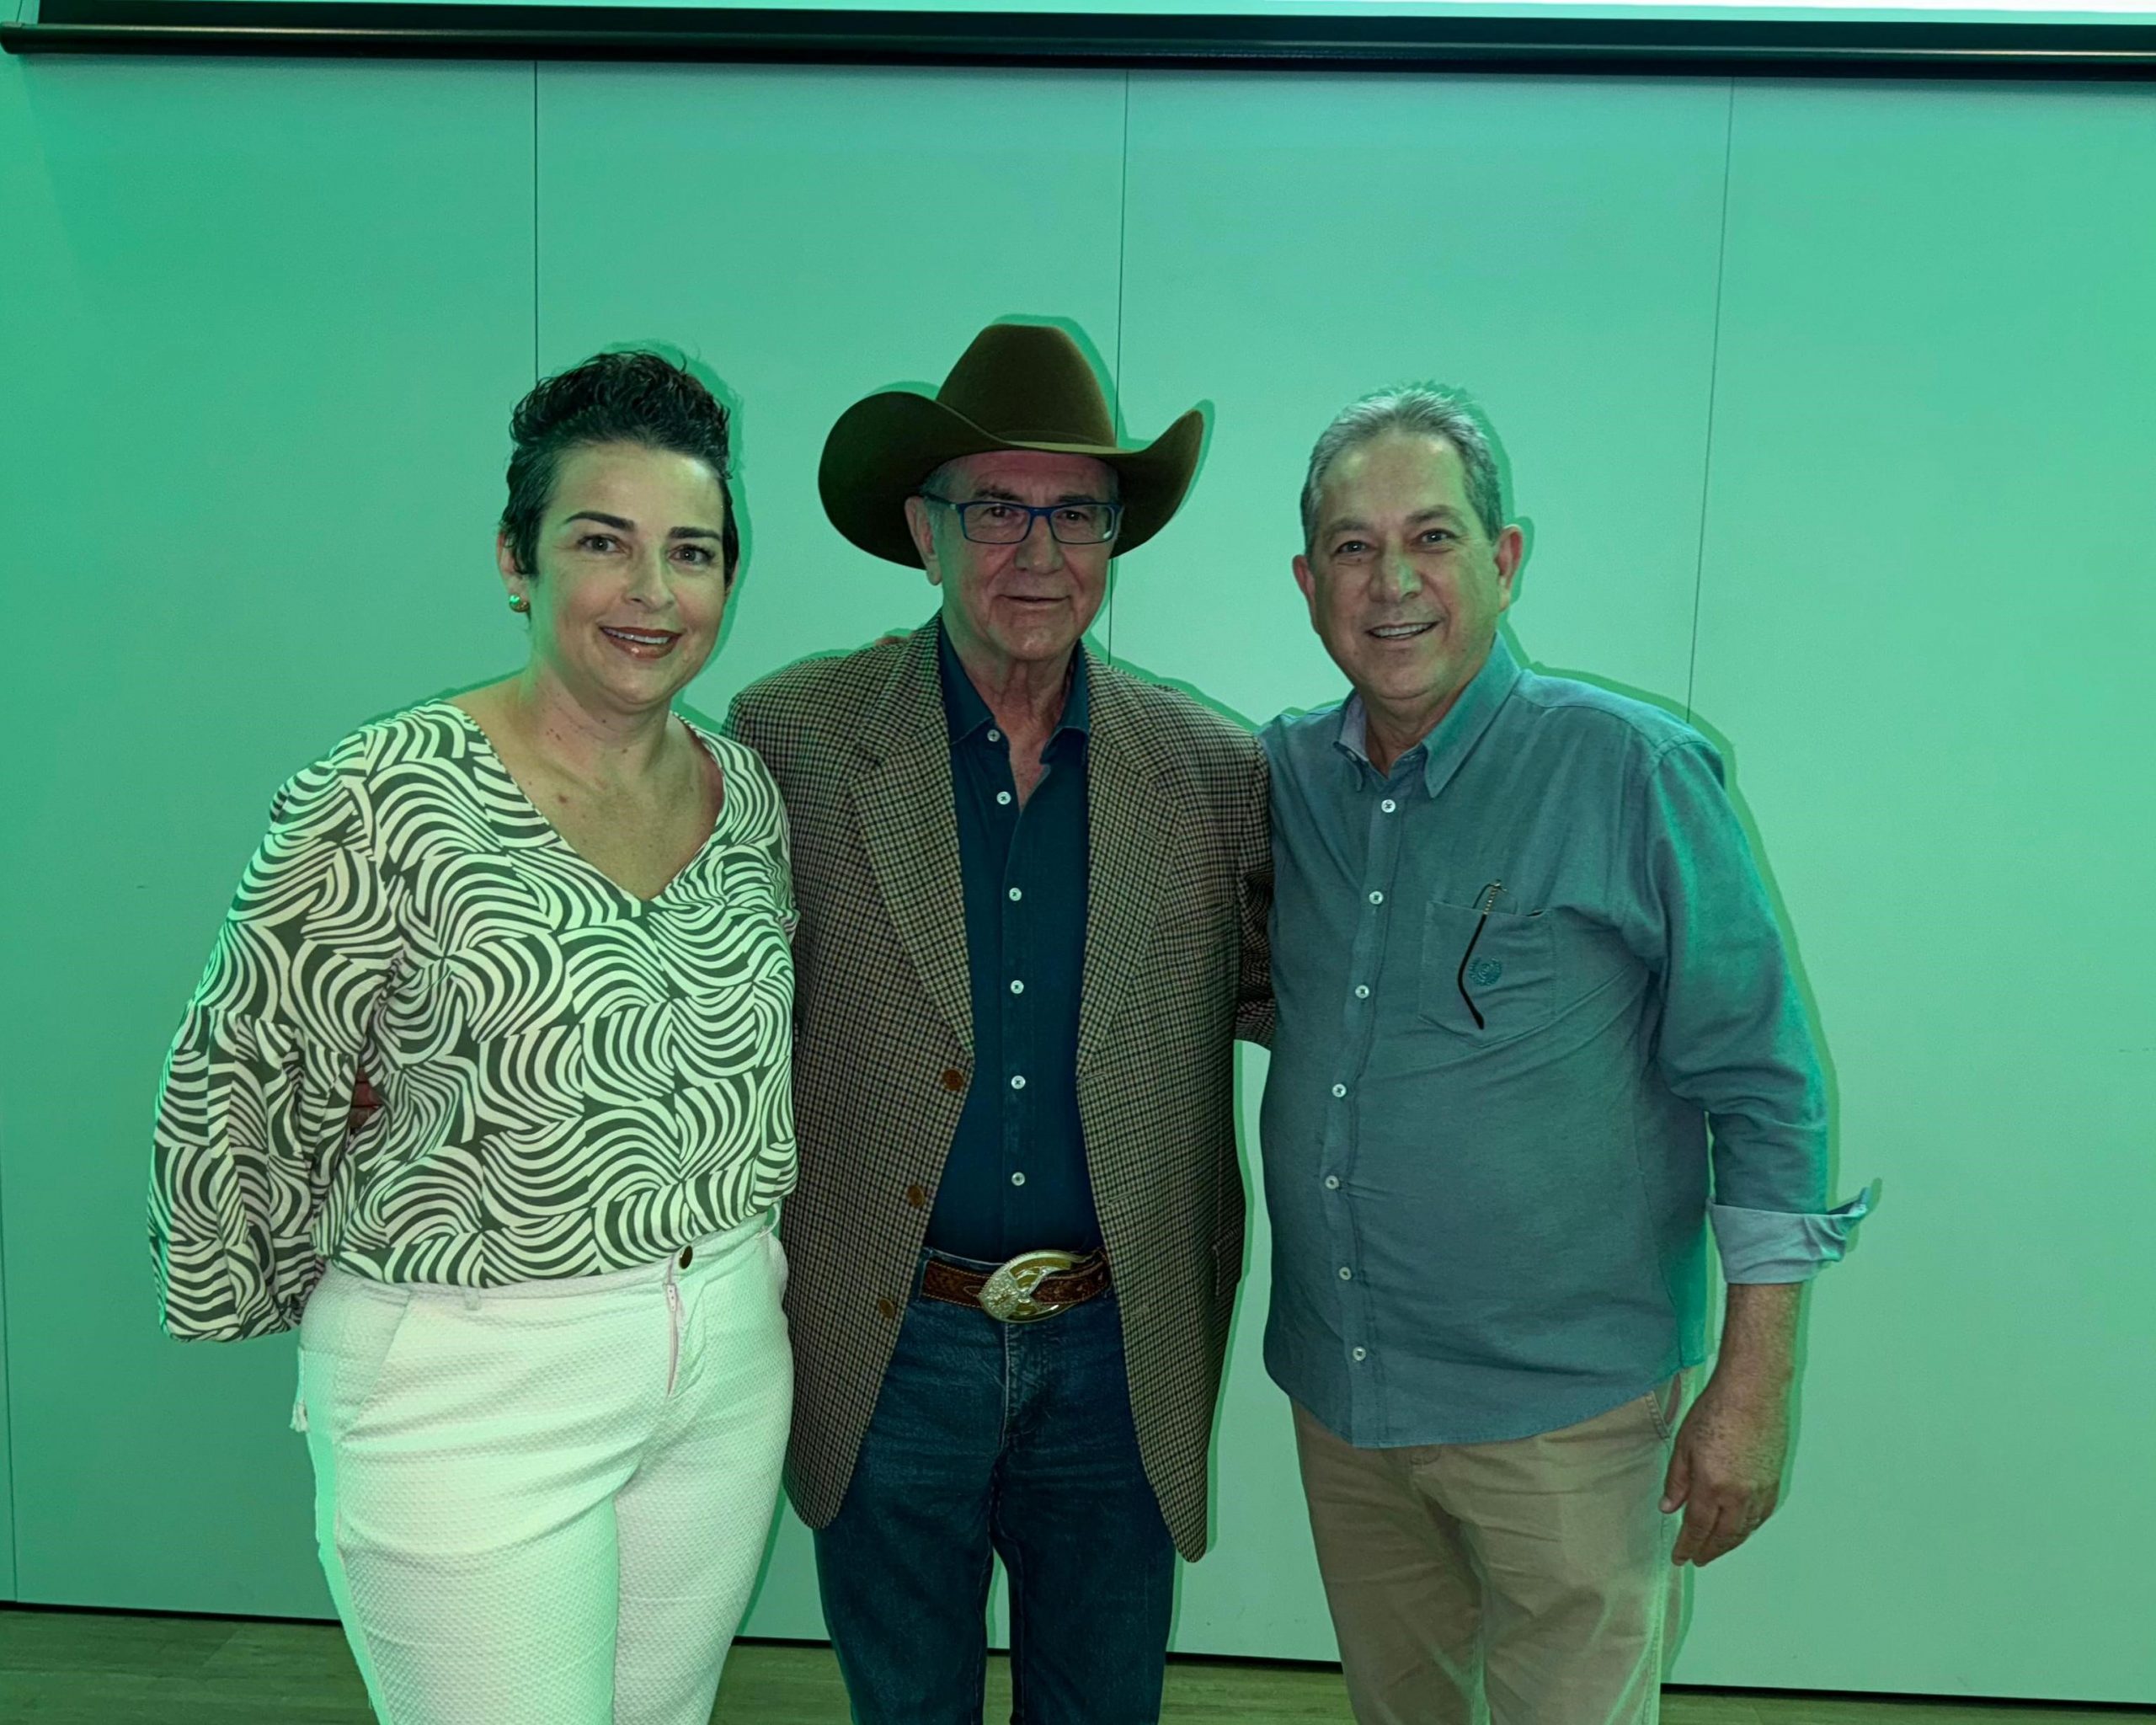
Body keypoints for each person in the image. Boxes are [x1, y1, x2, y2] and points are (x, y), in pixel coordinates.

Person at [147, 350, 797, 1725]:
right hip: (470, 1376)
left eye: (691, 552)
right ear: (516, 560)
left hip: (726, 1355)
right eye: (601, 542)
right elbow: (241, 1076)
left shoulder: (747, 796)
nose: (652, 591)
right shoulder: (384, 793)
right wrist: (283, 1291)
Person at [1260, 387, 1873, 1725]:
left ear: (1505, 558)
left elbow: (1766, 1089)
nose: (1393, 583)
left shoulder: (1630, 772)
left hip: (1569, 1424)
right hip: (1347, 1395)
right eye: (1354, 548)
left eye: (1432, 537)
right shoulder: (1285, 781)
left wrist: (1755, 1387)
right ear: (1309, 584)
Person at [727, 321, 1272, 1725]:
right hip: (891, 1341)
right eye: (995, 510)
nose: (1038, 551)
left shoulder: (1212, 774)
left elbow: (1324, 1008)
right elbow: (697, 999)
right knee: (905, 1704)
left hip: (1117, 1352)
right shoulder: (793, 740)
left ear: (1114, 538)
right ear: (924, 531)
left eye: (1076, 512)